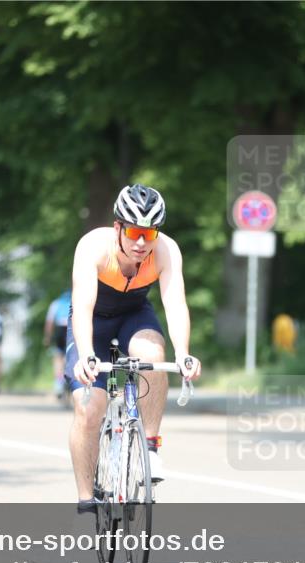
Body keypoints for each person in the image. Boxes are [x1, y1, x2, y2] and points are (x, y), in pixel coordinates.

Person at [65, 183, 201, 513]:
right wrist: (86, 354)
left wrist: (183, 352)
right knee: (89, 409)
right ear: (118, 228)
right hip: (94, 321)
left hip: (134, 315)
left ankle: (150, 448)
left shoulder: (167, 250)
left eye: (149, 234)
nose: (141, 243)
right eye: (135, 233)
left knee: (153, 355)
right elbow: (83, 306)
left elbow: (175, 303)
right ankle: (86, 500)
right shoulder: (93, 247)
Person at [44, 289, 73, 399]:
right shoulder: (75, 300)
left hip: (60, 329)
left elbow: (50, 322)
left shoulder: (56, 303)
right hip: (72, 328)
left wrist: (47, 337)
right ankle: (72, 379)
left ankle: (58, 383)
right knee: (72, 354)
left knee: (58, 356)